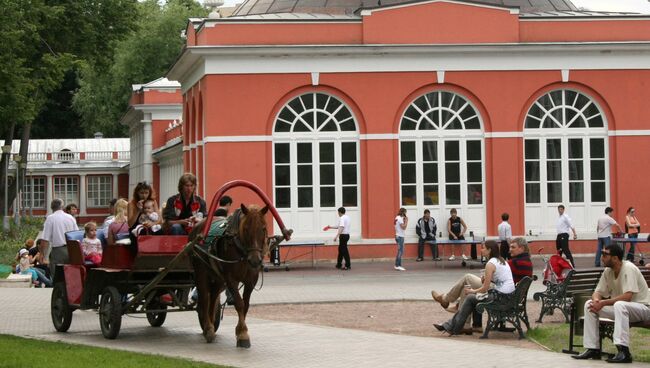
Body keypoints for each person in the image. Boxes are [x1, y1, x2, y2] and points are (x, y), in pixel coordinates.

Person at [572, 244, 650, 363]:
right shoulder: (608, 271)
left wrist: (603, 303)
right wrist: (597, 301)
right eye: (602, 253)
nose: (602, 257)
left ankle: (624, 352)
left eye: (605, 254)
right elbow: (598, 291)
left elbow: (628, 297)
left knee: (620, 304)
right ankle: (593, 349)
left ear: (615, 258)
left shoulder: (628, 268)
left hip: (643, 308)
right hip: (623, 309)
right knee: (589, 305)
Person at [433, 240, 515, 335]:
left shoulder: (490, 264)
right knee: (467, 291)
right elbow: (497, 281)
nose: (481, 250)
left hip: (499, 297)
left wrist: (473, 291)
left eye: (483, 248)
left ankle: (448, 308)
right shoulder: (501, 260)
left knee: (469, 288)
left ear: (489, 250)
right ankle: (461, 325)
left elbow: (485, 288)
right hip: (505, 296)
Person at [42, 198, 79, 275]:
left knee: (57, 275)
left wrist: (43, 255)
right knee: (70, 275)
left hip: (58, 251)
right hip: (71, 249)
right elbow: (77, 235)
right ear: (62, 206)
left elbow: (45, 240)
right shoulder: (70, 218)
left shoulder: (50, 218)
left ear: (51, 207)